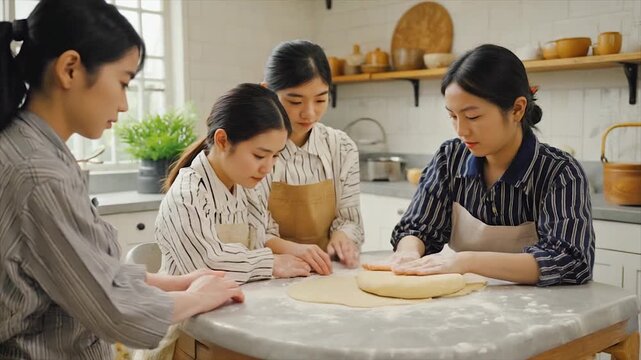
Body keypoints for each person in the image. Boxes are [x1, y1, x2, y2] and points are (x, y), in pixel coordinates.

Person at [0, 1, 243, 358]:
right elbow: (112, 308)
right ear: (70, 69)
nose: (125, 104)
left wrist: (178, 282)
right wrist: (196, 297)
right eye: (123, 82)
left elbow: (91, 271)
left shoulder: (38, 150)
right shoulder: (38, 172)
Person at [385, 44, 594, 286]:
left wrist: (466, 261)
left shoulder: (559, 173)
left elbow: (569, 260)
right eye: (453, 116)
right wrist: (409, 252)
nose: (461, 130)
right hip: (466, 306)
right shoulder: (450, 158)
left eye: (473, 116)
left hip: (539, 313)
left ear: (517, 109)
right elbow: (418, 227)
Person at [156, 83, 311, 283]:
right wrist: (271, 263)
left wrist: (296, 250)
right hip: (190, 312)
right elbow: (207, 266)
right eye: (259, 155)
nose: (267, 168)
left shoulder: (246, 188)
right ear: (222, 140)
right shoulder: (187, 196)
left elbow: (259, 237)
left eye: (275, 156)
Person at [257, 40, 364, 274]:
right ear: (267, 92)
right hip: (270, 273)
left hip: (326, 273)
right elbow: (250, 229)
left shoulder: (341, 147)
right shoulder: (254, 150)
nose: (309, 113)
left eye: (320, 100)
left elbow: (350, 219)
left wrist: (342, 237)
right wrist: (293, 250)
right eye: (295, 101)